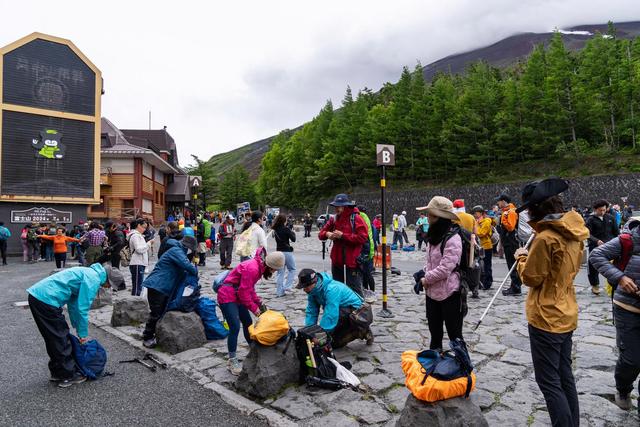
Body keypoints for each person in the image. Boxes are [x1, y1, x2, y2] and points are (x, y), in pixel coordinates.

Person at [514, 178, 587, 427]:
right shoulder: (574, 232)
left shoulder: (546, 238)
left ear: (535, 209)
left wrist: (522, 258)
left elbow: (532, 278)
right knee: (565, 376)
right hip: (567, 311)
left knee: (549, 382)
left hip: (546, 316)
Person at [27, 263, 123, 388]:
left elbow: (73, 304)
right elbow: (82, 309)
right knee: (60, 338)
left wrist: (76, 327)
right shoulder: (93, 279)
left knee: (54, 337)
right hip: (47, 300)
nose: (108, 287)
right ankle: (67, 375)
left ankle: (57, 372)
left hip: (38, 297)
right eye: (110, 285)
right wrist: (83, 334)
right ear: (108, 280)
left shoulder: (87, 272)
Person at [589, 216, 640, 412]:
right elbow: (596, 256)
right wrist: (620, 278)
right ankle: (623, 389)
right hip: (627, 308)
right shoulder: (628, 240)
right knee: (632, 359)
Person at [218, 248, 284, 375]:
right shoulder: (253, 269)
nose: (275, 272)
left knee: (248, 323)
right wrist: (256, 310)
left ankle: (253, 349)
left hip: (237, 295)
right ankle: (232, 360)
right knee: (235, 327)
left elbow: (249, 290)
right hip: (227, 295)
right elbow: (244, 294)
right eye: (276, 269)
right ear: (271, 266)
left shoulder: (259, 267)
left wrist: (259, 302)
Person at [417, 196, 464, 351]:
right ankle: (435, 368)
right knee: (435, 335)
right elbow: (431, 263)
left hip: (450, 293)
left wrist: (425, 279)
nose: (427, 218)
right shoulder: (434, 236)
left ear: (439, 217)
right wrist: (422, 273)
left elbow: (445, 269)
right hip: (432, 294)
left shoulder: (453, 239)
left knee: (455, 336)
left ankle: (463, 369)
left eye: (430, 214)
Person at [141, 236, 198, 348]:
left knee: (161, 312)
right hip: (157, 285)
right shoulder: (176, 251)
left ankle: (155, 335)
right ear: (187, 246)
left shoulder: (179, 250)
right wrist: (195, 270)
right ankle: (147, 337)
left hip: (164, 286)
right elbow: (187, 266)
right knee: (156, 313)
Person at [298, 268, 373, 348]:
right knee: (332, 343)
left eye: (305, 286)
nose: (304, 290)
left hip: (358, 314)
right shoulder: (312, 292)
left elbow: (330, 314)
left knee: (330, 341)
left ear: (313, 283)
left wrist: (320, 335)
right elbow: (311, 312)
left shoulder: (332, 289)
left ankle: (361, 331)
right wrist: (309, 332)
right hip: (342, 312)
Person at [318, 194, 368, 297]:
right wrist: (327, 234)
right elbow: (321, 234)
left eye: (338, 206)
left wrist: (343, 236)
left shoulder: (356, 218)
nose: (336, 209)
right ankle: (341, 311)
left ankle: (358, 311)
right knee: (337, 288)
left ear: (345, 206)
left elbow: (363, 238)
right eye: (335, 206)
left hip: (352, 261)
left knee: (354, 289)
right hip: (337, 260)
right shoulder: (334, 219)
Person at [586, 200, 620, 295]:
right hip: (596, 246)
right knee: (593, 266)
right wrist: (596, 241)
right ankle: (595, 285)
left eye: (604, 210)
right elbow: (587, 234)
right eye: (600, 210)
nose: (602, 212)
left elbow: (617, 233)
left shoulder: (610, 218)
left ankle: (613, 284)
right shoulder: (590, 219)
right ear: (595, 209)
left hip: (610, 246)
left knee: (614, 266)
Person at [497, 194, 522, 296]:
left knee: (512, 264)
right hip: (509, 241)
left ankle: (516, 287)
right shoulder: (507, 211)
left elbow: (511, 227)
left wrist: (503, 220)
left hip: (511, 242)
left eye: (498, 201)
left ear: (503, 201)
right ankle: (514, 286)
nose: (497, 203)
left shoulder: (510, 211)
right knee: (512, 264)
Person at [272, 214, 297, 297]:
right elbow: (293, 239)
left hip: (278, 252)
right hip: (286, 252)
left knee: (280, 272)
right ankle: (287, 286)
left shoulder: (275, 230)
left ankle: (279, 292)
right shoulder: (286, 229)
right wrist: (292, 232)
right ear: (284, 221)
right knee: (292, 269)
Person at [472, 206, 494, 290]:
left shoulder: (486, 221)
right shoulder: (478, 221)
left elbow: (481, 233)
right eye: (474, 213)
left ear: (481, 213)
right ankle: (483, 281)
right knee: (481, 265)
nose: (474, 215)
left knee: (486, 265)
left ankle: (487, 283)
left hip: (486, 246)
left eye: (476, 213)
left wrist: (476, 225)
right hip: (480, 246)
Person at [128, 218, 149, 296]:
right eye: (143, 227)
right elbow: (139, 249)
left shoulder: (137, 235)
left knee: (138, 285)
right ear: (138, 225)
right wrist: (148, 244)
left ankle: (136, 303)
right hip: (137, 263)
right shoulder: (135, 236)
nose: (144, 229)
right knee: (137, 286)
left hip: (139, 263)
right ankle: (135, 304)